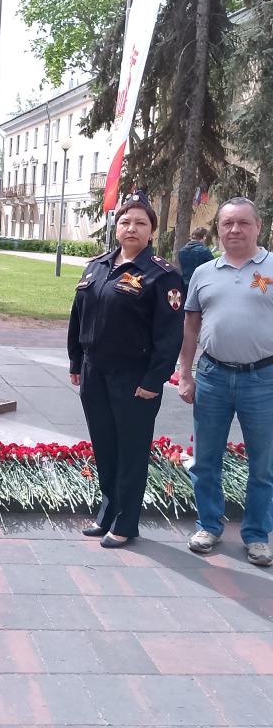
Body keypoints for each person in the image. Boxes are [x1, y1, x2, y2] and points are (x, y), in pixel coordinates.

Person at [68, 191, 184, 548]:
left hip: (134, 378)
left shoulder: (161, 276)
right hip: (94, 372)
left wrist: (154, 380)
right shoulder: (97, 266)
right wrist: (75, 361)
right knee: (104, 445)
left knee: (131, 449)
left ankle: (126, 522)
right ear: (115, 227)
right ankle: (107, 513)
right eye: (125, 222)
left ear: (151, 231)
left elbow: (169, 336)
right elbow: (78, 317)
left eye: (140, 223)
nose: (131, 228)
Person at [178, 197, 273, 567]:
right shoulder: (205, 272)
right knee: (206, 459)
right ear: (218, 228)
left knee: (263, 464)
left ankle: (256, 535)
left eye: (243, 223)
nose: (234, 230)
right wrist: (185, 373)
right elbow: (190, 327)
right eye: (227, 223)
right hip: (213, 377)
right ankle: (209, 525)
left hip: (263, 379)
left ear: (258, 227)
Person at [178, 227, 214, 297]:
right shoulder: (204, 251)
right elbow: (213, 268)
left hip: (185, 286)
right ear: (204, 237)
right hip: (200, 286)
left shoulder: (181, 251)